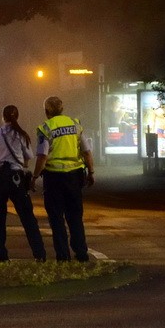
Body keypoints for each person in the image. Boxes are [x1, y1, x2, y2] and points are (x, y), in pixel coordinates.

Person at [31, 96, 95, 262]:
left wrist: (34, 176)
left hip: (54, 179)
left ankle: (63, 256)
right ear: (62, 109)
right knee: (75, 216)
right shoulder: (75, 125)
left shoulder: (46, 127)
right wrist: (91, 172)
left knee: (56, 218)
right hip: (74, 177)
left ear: (46, 111)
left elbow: (42, 156)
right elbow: (86, 151)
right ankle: (81, 253)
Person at [0, 105, 47, 262]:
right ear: (17, 117)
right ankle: (39, 254)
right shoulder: (22, 135)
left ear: (3, 117)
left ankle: (1, 257)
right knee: (27, 218)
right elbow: (28, 157)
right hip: (16, 179)